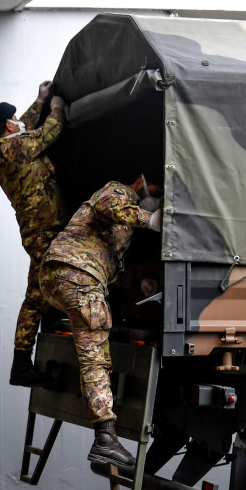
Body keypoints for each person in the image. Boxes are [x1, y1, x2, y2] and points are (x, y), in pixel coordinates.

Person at [38, 179, 162, 466]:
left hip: (65, 275)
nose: (156, 200)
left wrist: (139, 281)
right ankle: (105, 439)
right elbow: (110, 207)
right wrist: (151, 219)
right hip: (77, 275)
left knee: (90, 352)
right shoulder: (119, 191)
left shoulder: (119, 229)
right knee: (95, 357)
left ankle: (106, 437)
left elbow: (105, 264)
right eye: (155, 194)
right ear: (143, 186)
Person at [0, 81, 70, 388]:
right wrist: (56, 106)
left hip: (36, 231)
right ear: (8, 126)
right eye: (15, 120)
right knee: (44, 293)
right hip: (46, 231)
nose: (21, 120)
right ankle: (22, 362)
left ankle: (22, 362)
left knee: (36, 297)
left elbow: (27, 125)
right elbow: (50, 130)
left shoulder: (1, 153)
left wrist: (39, 99)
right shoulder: (17, 147)